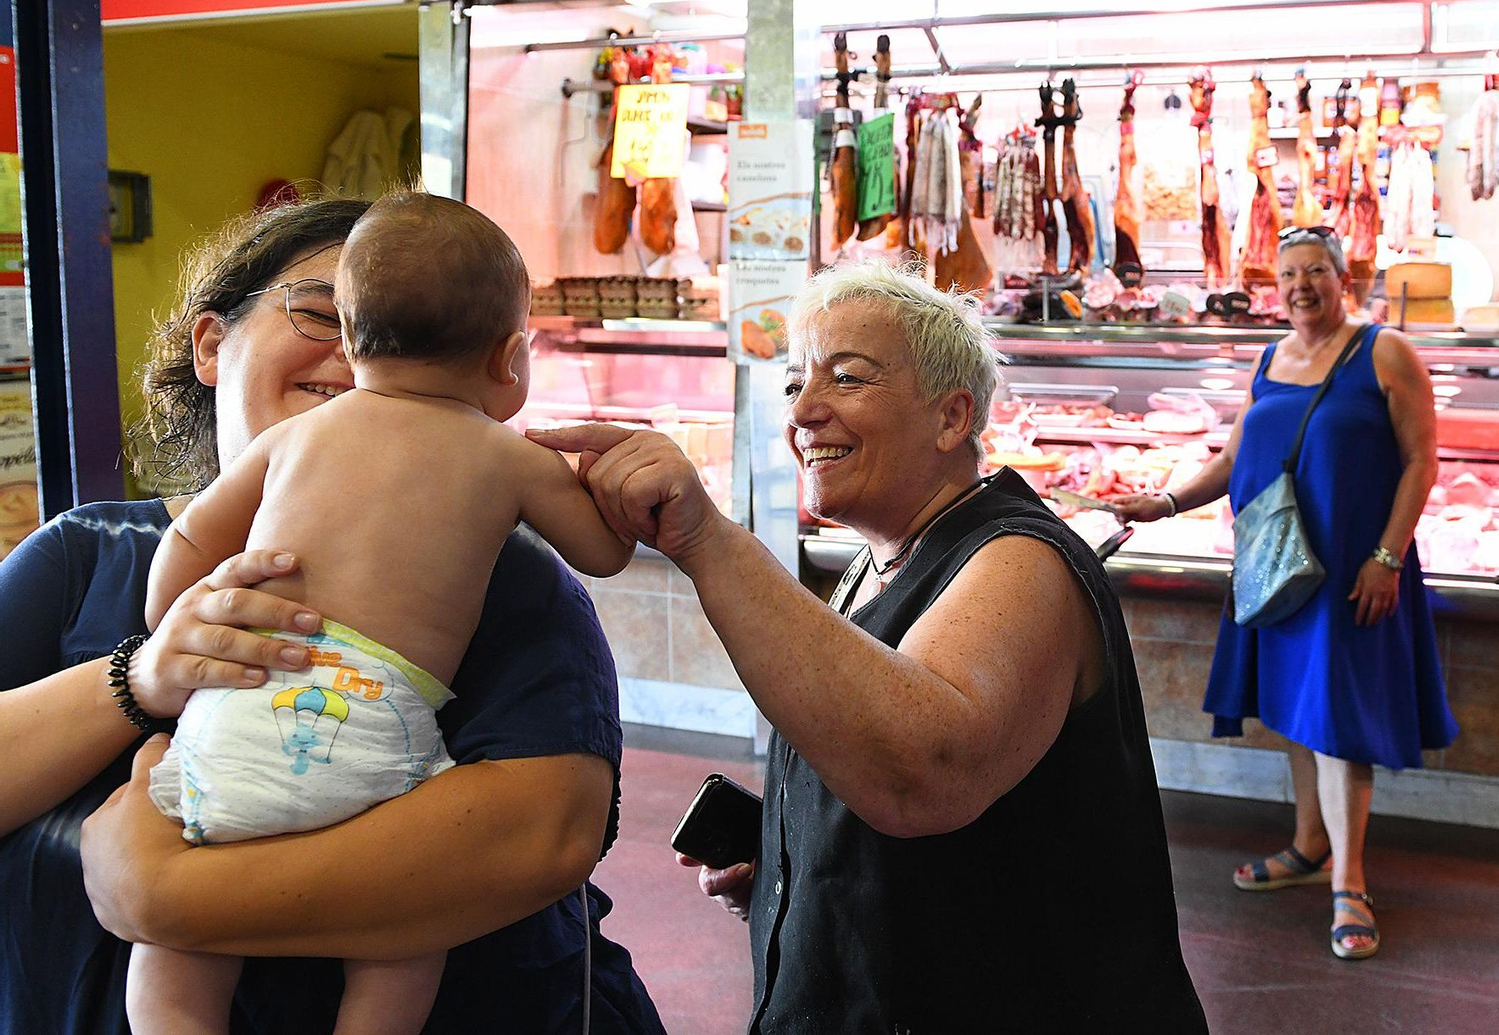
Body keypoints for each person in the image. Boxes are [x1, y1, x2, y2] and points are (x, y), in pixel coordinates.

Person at [0, 196, 667, 1035]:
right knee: (388, 973)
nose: (360, 360)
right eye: (321, 313)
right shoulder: (81, 555)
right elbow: (606, 549)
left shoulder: (507, 572)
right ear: (210, 345)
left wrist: (167, 897)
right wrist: (140, 673)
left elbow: (545, 838)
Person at [533, 263, 1208, 1033]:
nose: (804, 412)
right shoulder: (875, 562)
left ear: (951, 418)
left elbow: (921, 771)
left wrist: (708, 539)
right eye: (795, 384)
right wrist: (798, 865)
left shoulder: (1022, 562)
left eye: (847, 378)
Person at [1111, 227, 1456, 961]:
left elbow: (1422, 461)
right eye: (1289, 274)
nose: (1301, 286)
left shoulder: (1384, 351)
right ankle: (1308, 847)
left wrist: (1387, 557)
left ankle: (1350, 883)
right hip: (1279, 566)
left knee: (1338, 724)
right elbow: (1233, 458)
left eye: (1315, 271)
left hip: (1353, 569)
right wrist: (1166, 503)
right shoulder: (1269, 358)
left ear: (1343, 279)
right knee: (1297, 713)